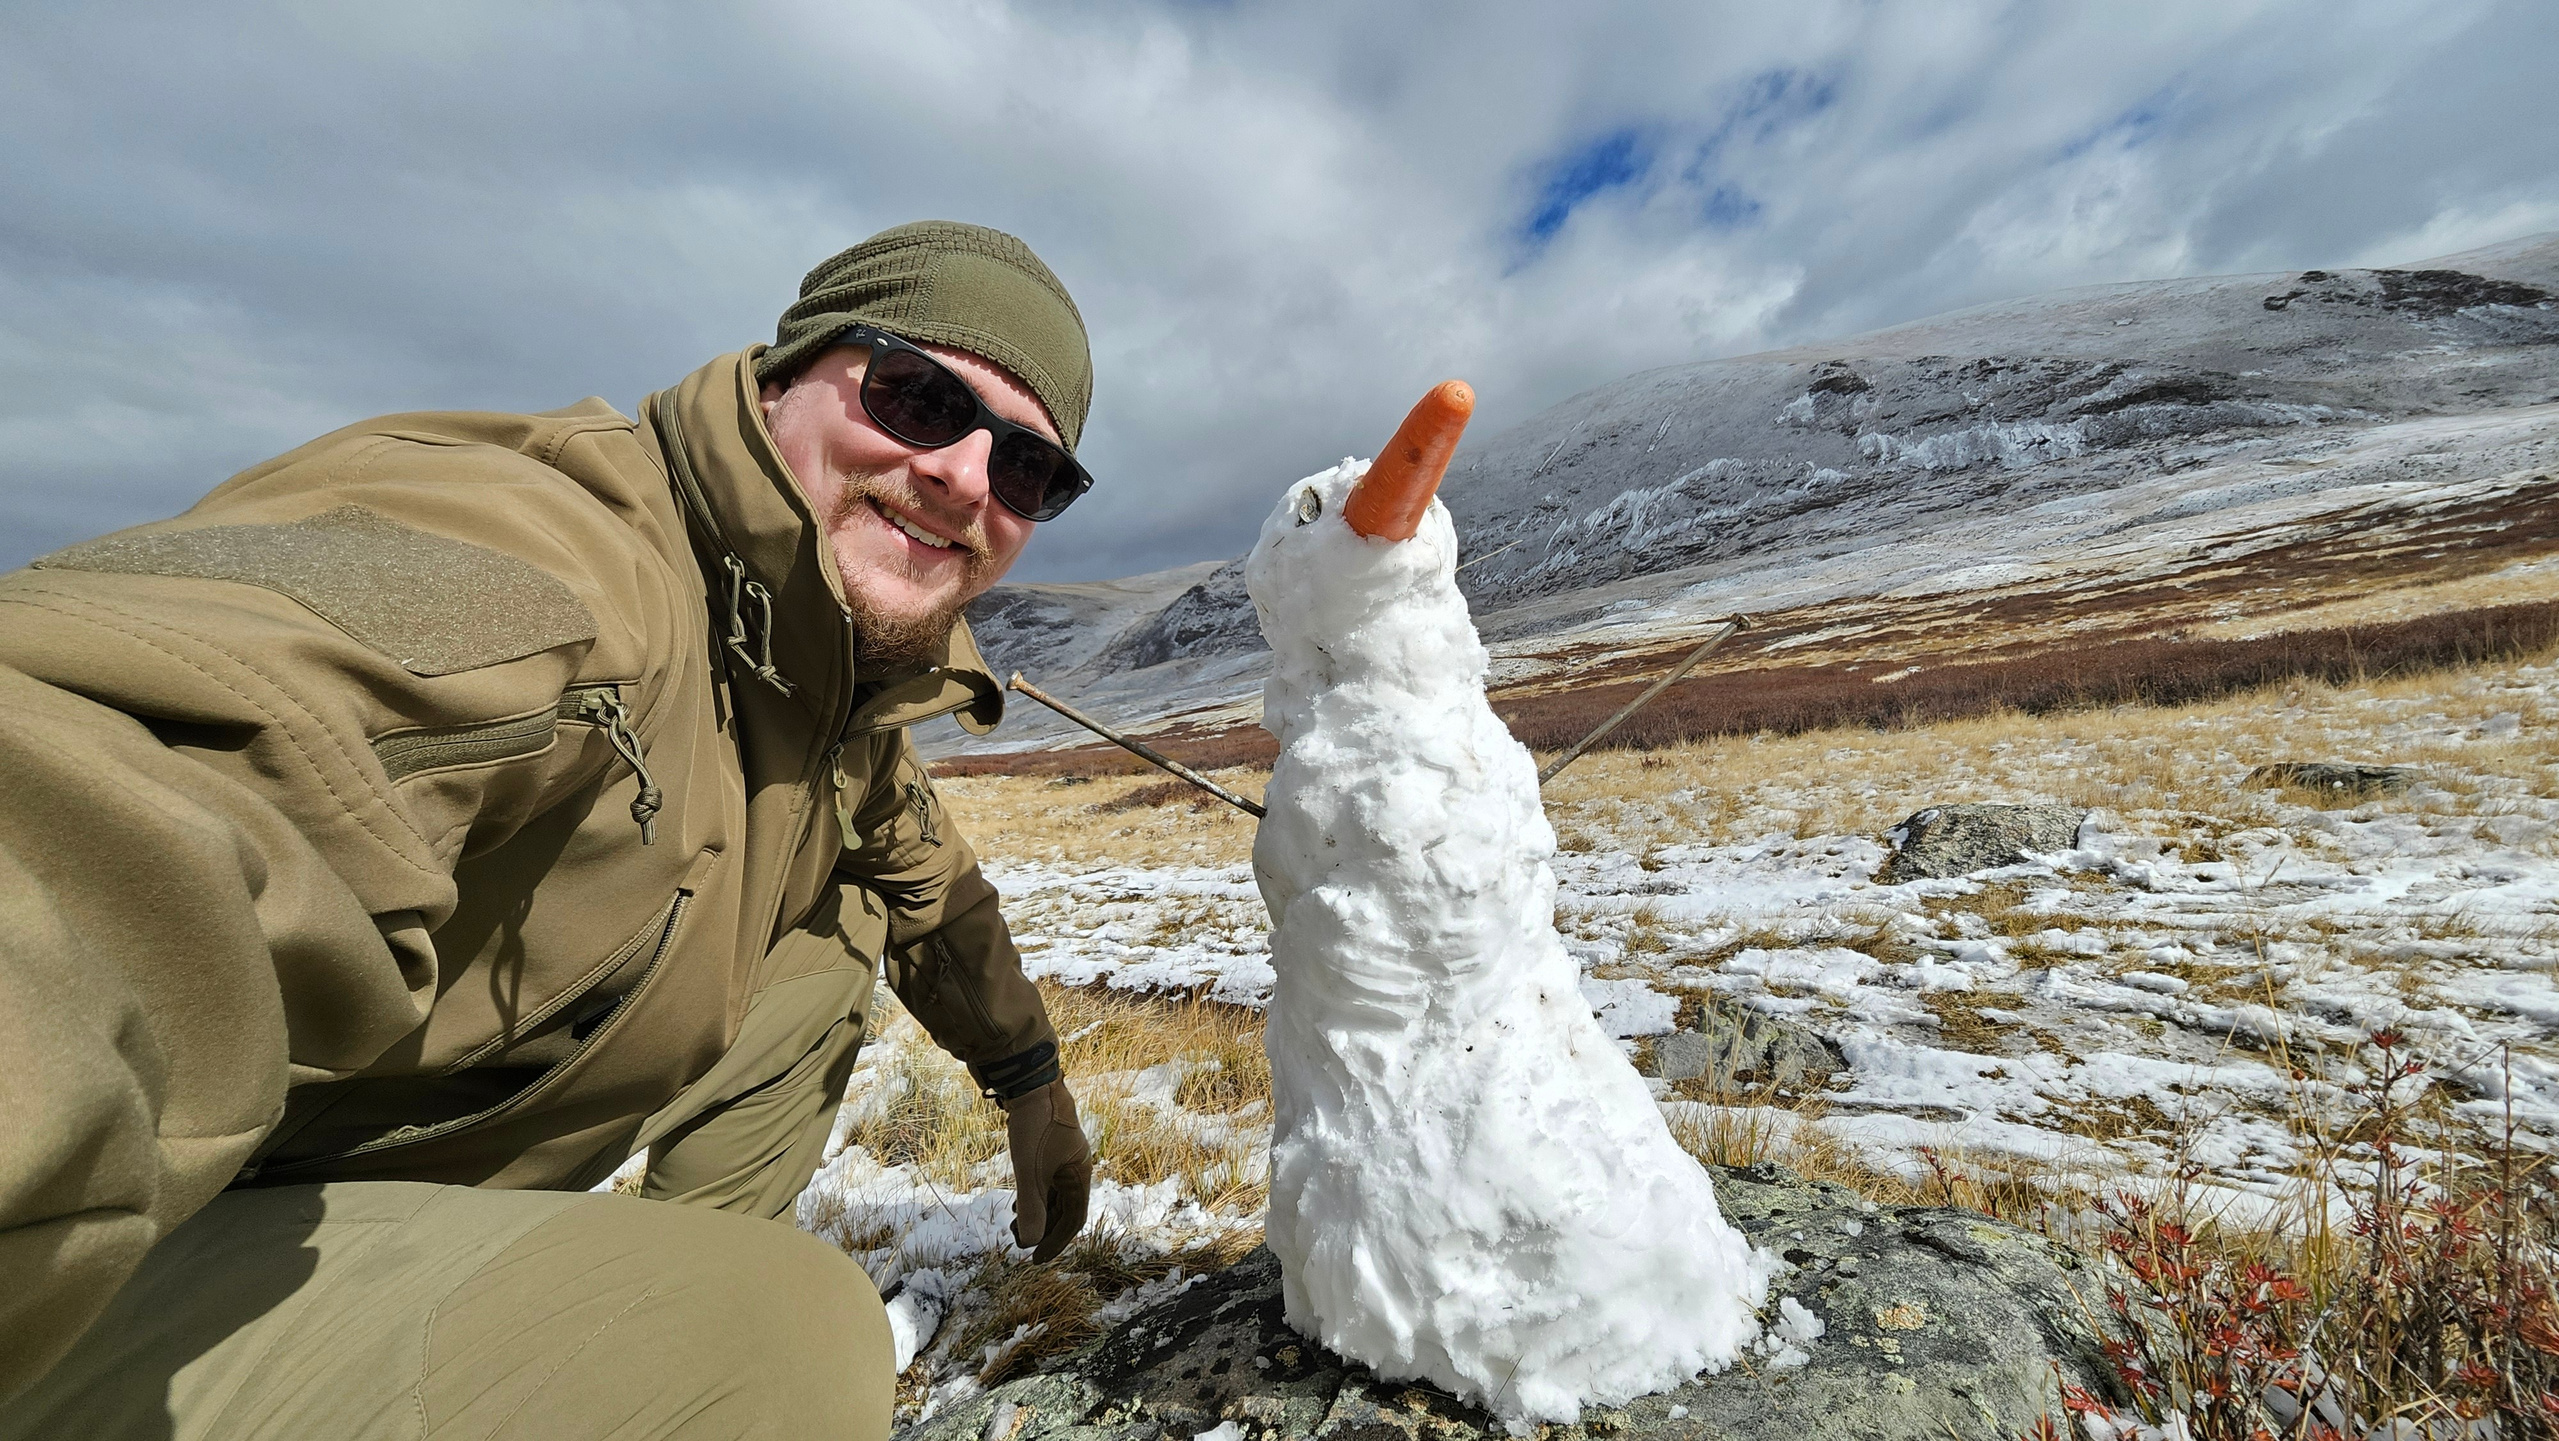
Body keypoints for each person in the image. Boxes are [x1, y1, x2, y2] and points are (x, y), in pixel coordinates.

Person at [0, 221, 1098, 1439]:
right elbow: (144, 768)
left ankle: (625, 1316)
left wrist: (1030, 1078)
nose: (962, 476)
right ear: (785, 375)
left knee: (830, 932)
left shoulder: (821, 681)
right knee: (777, 1343)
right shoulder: (561, 557)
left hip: (369, 1193)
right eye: (917, 396)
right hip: (116, 1241)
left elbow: (923, 872)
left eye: (1028, 471)